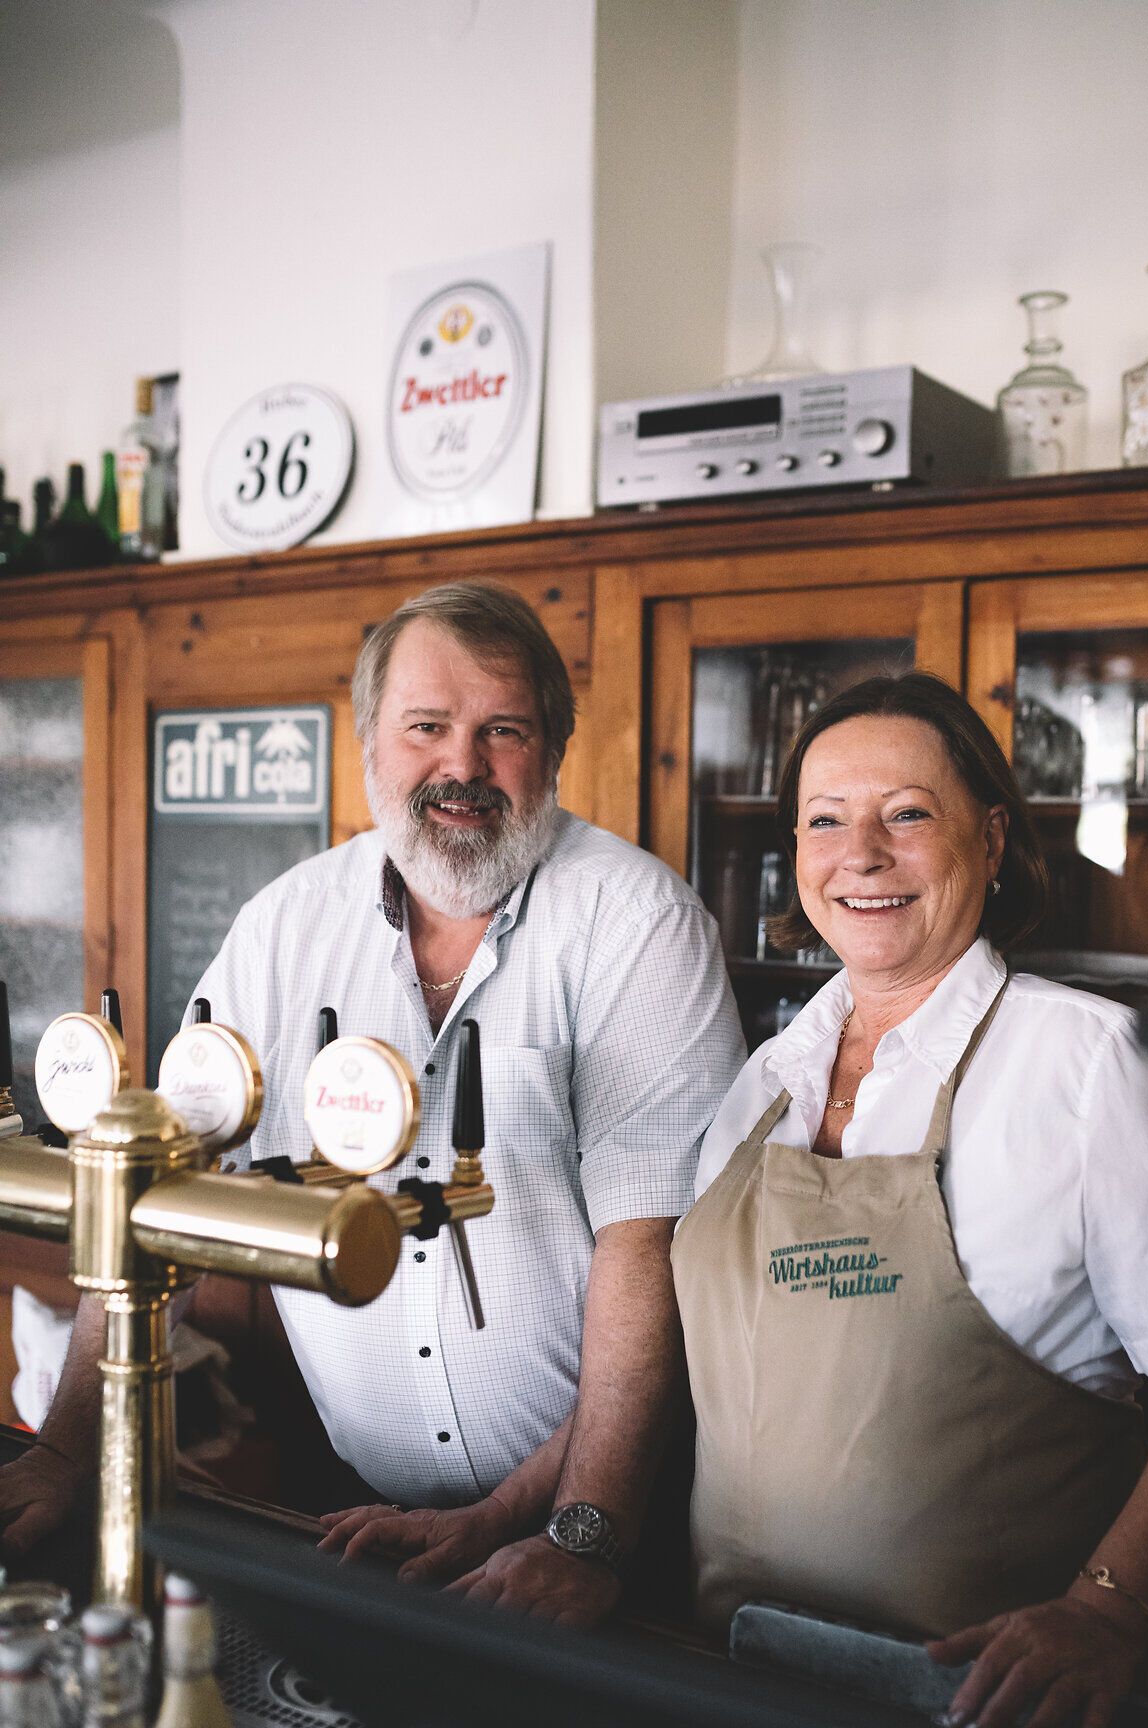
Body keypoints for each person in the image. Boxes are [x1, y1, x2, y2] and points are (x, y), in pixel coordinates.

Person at [1, 582, 745, 1625]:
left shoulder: (636, 927)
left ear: (555, 749)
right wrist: (70, 1449)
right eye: (427, 728)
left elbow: (647, 1250)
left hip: (597, 1522)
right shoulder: (283, 929)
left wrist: (579, 1531)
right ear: (368, 747)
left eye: (502, 731)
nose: (462, 765)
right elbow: (152, 1188)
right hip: (354, 1504)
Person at [674, 671, 1148, 1728]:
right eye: (824, 820)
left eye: (905, 814)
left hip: (996, 1727)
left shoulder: (1086, 1066)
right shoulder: (761, 1080)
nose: (860, 854)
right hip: (738, 1686)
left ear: (989, 842)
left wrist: (1104, 1605)